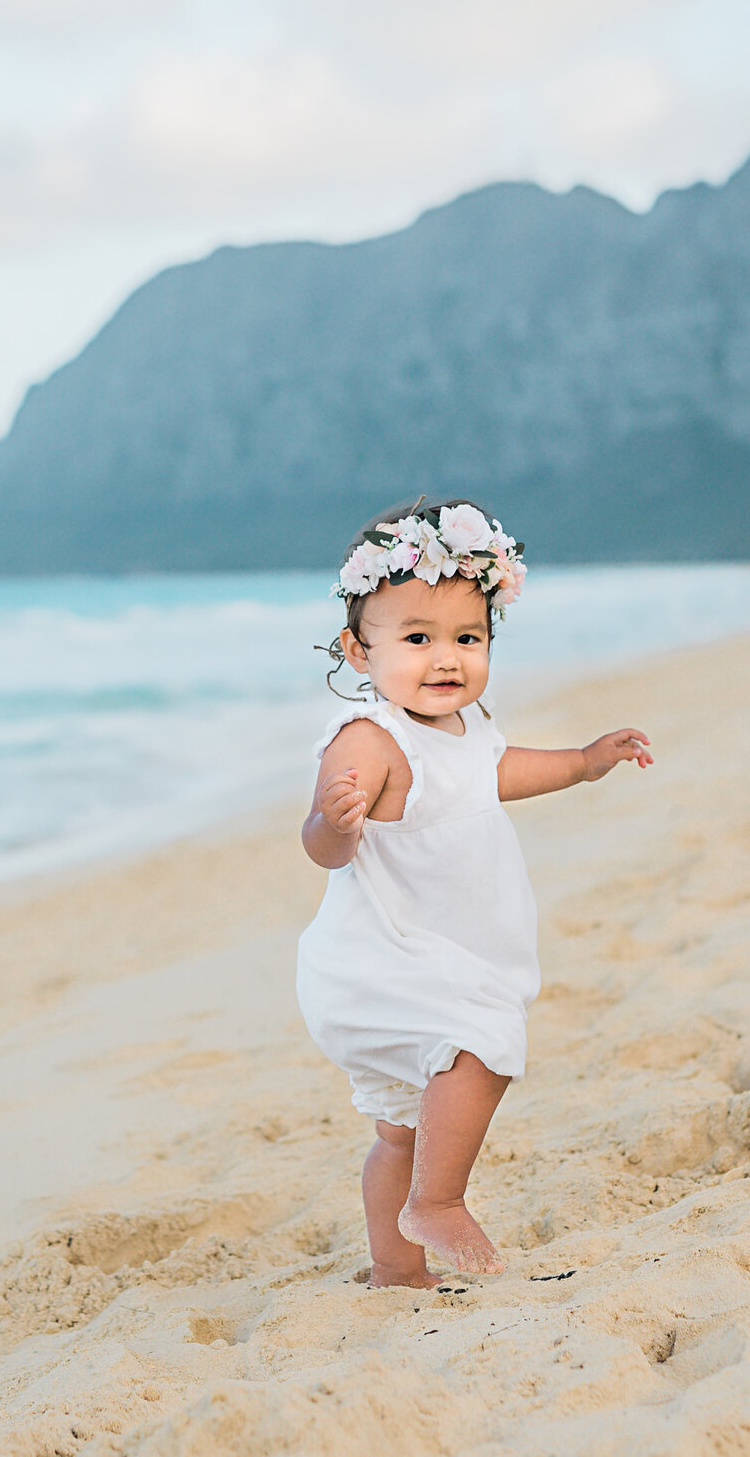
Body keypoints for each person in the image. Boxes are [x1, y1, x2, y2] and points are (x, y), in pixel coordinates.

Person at [298, 499, 650, 1286]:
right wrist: (337, 822)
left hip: (435, 957)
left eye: (468, 637)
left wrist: (586, 761)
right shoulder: (369, 740)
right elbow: (319, 843)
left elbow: (504, 773)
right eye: (417, 638)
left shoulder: (465, 734)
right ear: (359, 650)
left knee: (399, 1132)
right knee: (483, 1045)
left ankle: (395, 1268)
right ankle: (440, 1200)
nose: (446, 657)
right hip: (382, 961)